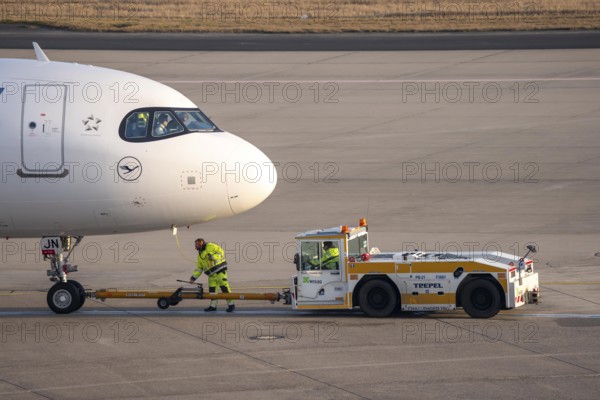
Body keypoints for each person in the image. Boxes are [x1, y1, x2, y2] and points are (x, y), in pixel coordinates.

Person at [189, 238, 235, 312]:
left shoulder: (210, 246)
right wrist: (193, 277)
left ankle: (231, 305)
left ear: (201, 243)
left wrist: (213, 257)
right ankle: (213, 306)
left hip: (220, 271)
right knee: (212, 291)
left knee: (225, 288)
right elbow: (200, 268)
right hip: (211, 275)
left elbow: (221, 253)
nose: (196, 246)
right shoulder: (200, 255)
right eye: (195, 244)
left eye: (197, 244)